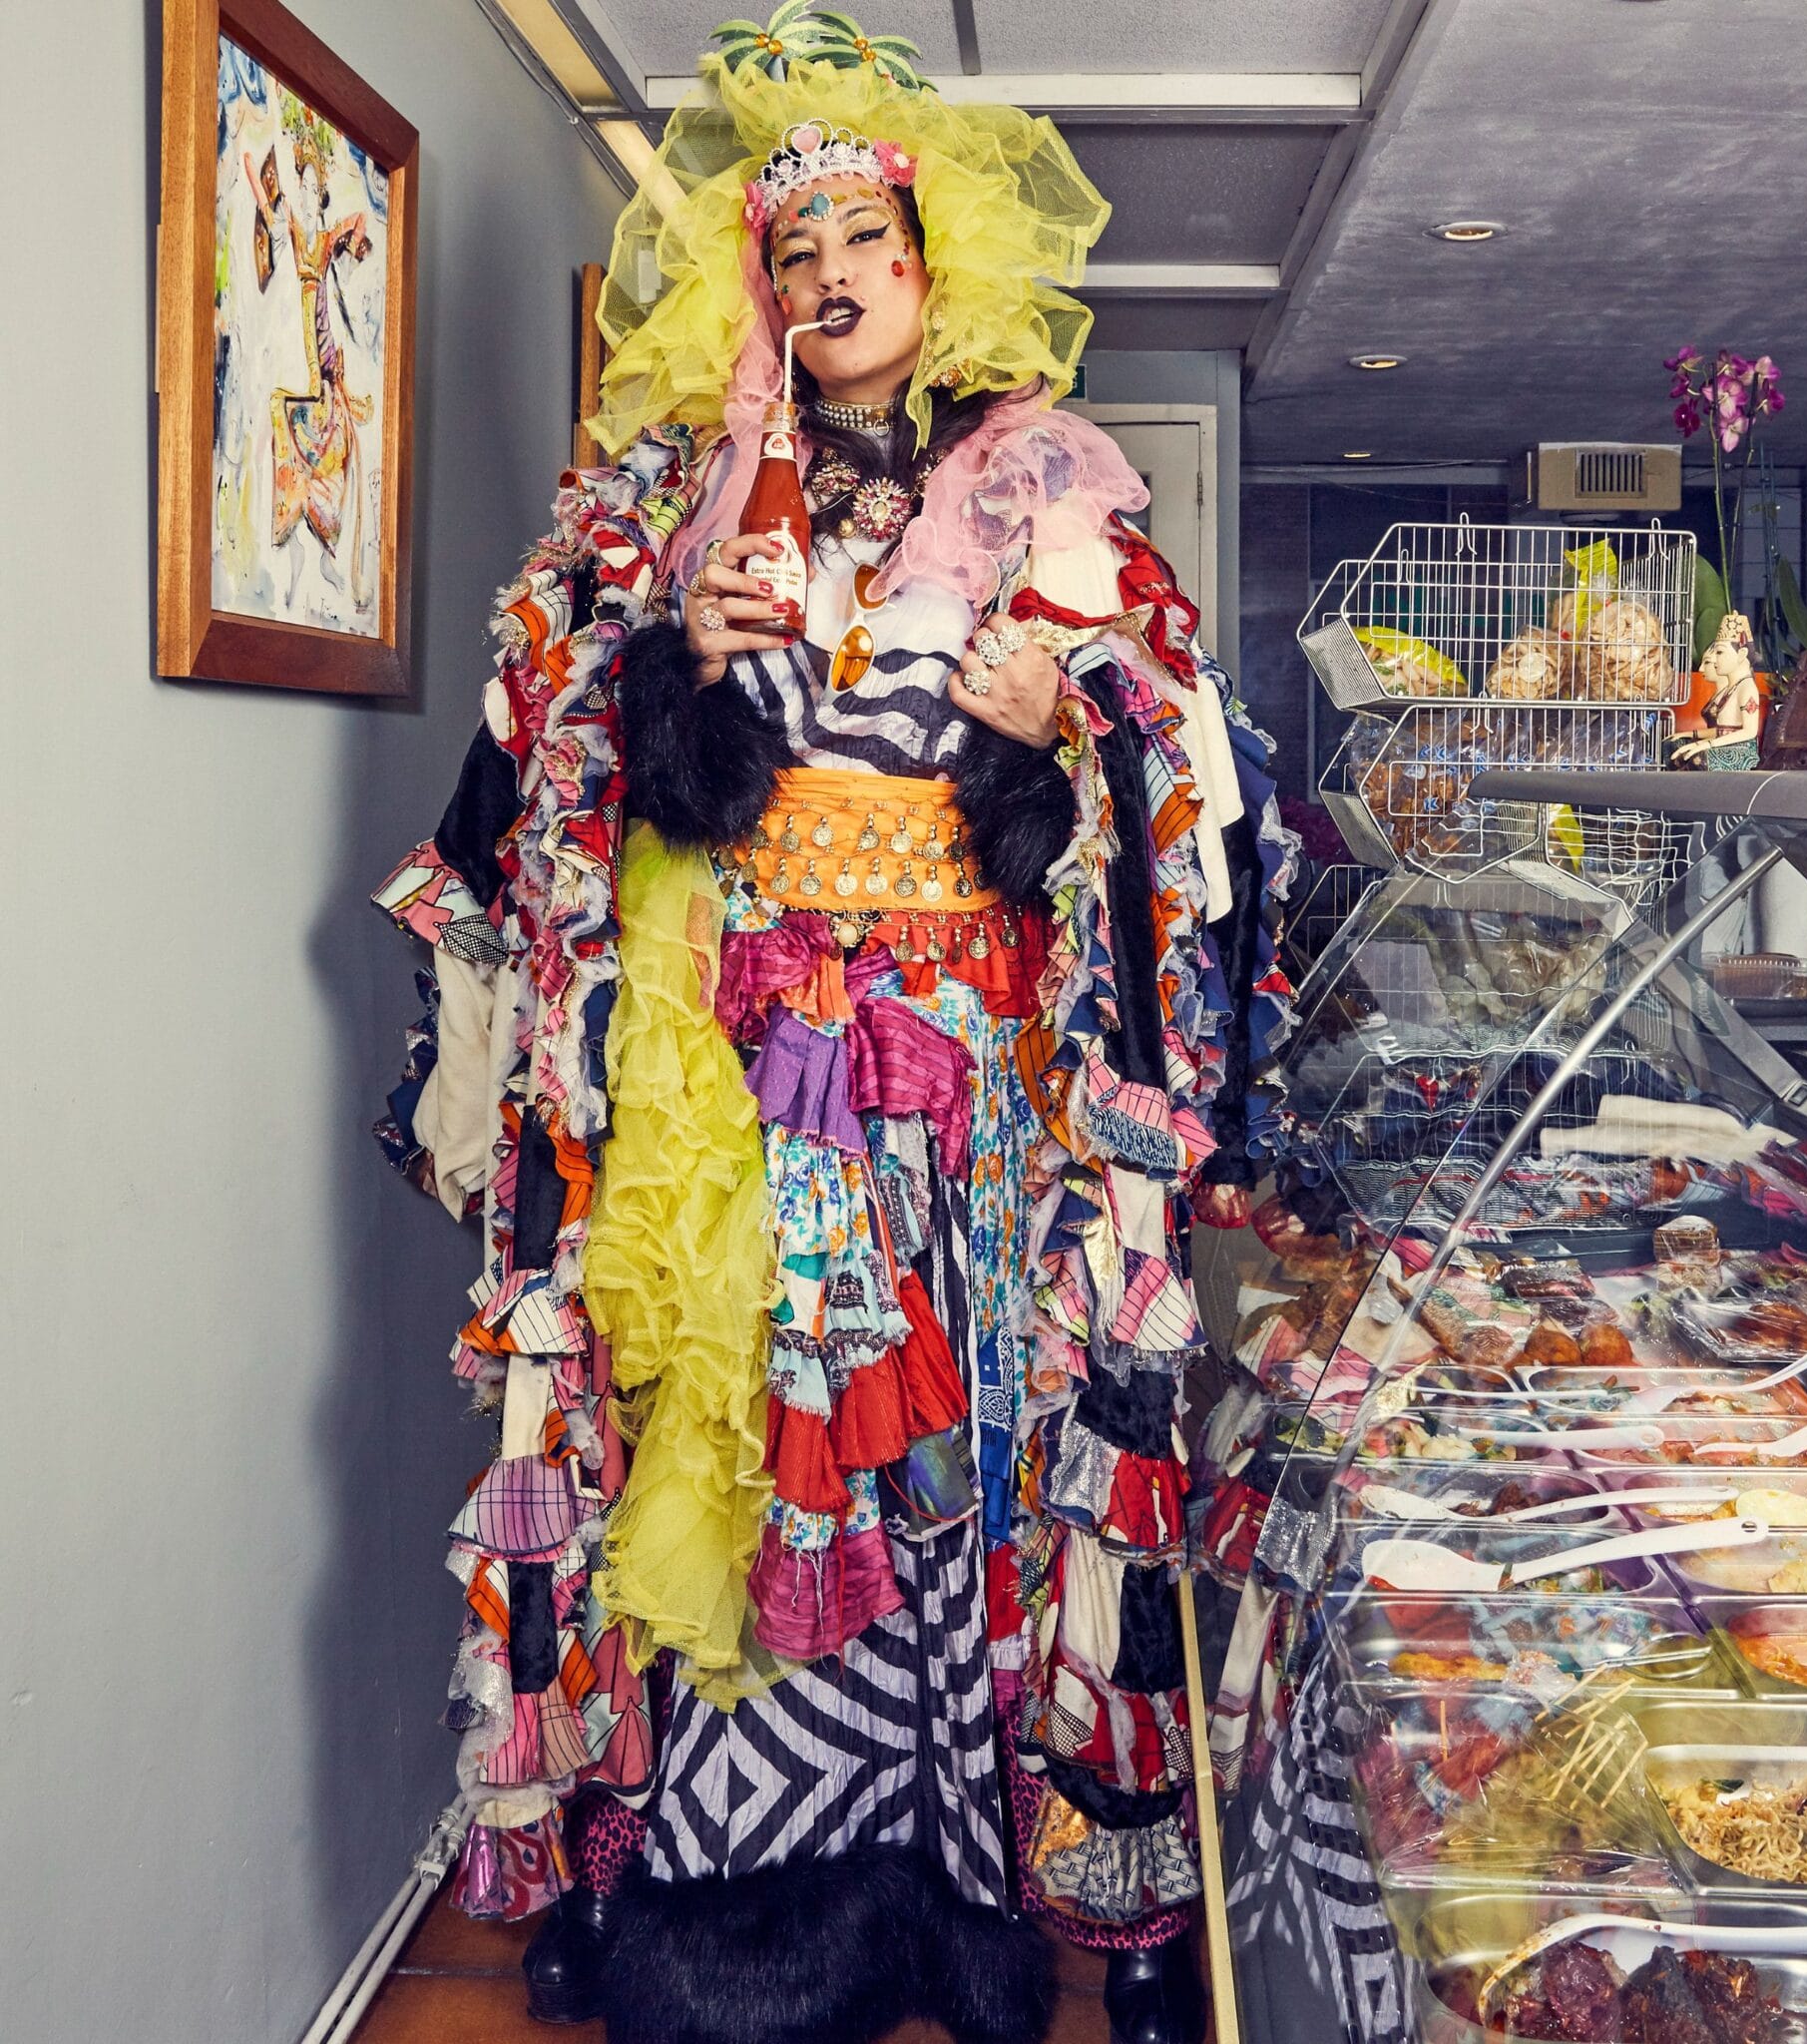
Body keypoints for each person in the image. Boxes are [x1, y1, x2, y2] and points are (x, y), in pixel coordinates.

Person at [373, 12, 1294, 2039]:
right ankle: (692, 1887)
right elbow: (543, 763)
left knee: (955, 1461)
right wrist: (661, 669)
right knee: (718, 1438)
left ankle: (994, 1886)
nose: (827, 279)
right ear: (754, 294)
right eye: (788, 257)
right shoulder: (673, 495)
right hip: (736, 1079)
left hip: (964, 1091)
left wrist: (1070, 735)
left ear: (930, 253)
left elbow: (1193, 765)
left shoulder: (1043, 480)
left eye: (860, 236)